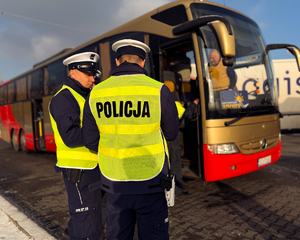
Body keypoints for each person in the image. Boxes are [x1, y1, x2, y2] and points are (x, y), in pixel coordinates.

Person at [82, 39, 179, 240]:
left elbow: (91, 142)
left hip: (114, 184)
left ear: (118, 62)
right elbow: (171, 134)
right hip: (151, 183)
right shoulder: (158, 90)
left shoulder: (96, 93)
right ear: (142, 62)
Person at [49, 52, 103, 240]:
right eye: (88, 74)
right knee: (87, 219)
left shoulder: (86, 94)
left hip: (93, 167)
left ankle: (73, 231)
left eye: (93, 74)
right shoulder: (64, 98)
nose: (92, 78)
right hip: (79, 170)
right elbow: (71, 136)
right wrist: (102, 131)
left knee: (90, 215)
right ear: (73, 73)